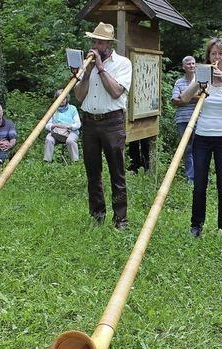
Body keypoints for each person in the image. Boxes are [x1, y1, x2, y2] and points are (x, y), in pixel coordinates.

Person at [180, 37, 222, 241]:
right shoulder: (202, 75)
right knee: (199, 184)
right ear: (208, 56)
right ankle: (196, 226)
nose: (216, 57)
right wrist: (201, 81)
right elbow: (184, 98)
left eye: (220, 53)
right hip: (202, 136)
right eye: (213, 53)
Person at [75, 22, 132, 229]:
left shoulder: (123, 63)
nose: (95, 45)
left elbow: (116, 92)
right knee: (93, 172)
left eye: (99, 41)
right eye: (93, 41)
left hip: (112, 123)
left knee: (117, 172)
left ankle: (121, 220)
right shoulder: (86, 65)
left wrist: (100, 67)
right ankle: (97, 216)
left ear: (109, 44)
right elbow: (80, 97)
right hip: (89, 122)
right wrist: (88, 71)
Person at [171, 55, 199, 183]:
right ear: (183, 67)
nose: (191, 66)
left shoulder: (201, 81)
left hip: (199, 118)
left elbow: (205, 98)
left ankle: (202, 176)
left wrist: (185, 97)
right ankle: (191, 178)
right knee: (187, 148)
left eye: (193, 64)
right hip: (182, 119)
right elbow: (175, 101)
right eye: (188, 64)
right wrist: (194, 97)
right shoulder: (179, 82)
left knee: (200, 147)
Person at [44, 89, 81, 162]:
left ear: (67, 99)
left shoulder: (72, 108)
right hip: (56, 133)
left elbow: (78, 124)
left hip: (70, 132)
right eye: (60, 98)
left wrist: (70, 127)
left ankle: (75, 162)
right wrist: (54, 126)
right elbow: (47, 125)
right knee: (49, 139)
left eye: (64, 98)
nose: (62, 100)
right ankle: (47, 161)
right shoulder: (53, 109)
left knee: (70, 141)